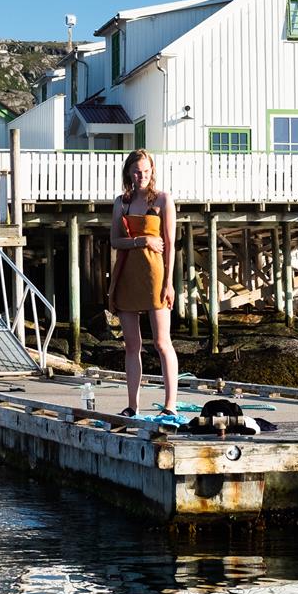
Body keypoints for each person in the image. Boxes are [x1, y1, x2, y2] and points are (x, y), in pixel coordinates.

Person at [108, 149, 179, 419]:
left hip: (156, 275)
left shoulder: (163, 200)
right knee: (132, 344)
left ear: (152, 171)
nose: (142, 176)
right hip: (126, 274)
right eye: (137, 171)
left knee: (162, 342)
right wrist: (142, 241)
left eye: (146, 171)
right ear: (128, 172)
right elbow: (115, 241)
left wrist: (169, 283)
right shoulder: (121, 203)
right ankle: (132, 406)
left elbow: (170, 244)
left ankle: (169, 404)